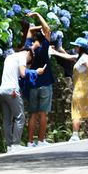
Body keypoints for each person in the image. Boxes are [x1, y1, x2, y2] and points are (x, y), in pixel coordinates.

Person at [52, 37, 88, 141]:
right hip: (83, 89)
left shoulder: (84, 58)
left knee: (76, 111)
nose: (74, 47)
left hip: (81, 89)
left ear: (80, 47)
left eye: (76, 46)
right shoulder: (80, 57)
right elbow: (68, 56)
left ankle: (75, 135)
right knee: (87, 112)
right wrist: (55, 52)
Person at [22, 12, 54, 147]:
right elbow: (47, 28)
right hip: (45, 82)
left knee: (33, 114)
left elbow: (30, 30)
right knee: (42, 113)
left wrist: (34, 28)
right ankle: (41, 141)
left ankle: (29, 142)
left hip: (33, 83)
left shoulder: (30, 47)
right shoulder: (45, 45)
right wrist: (37, 14)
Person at [0, 48, 31, 152]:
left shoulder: (9, 57)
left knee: (7, 119)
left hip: (2, 90)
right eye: (29, 60)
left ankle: (9, 146)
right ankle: (16, 144)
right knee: (20, 117)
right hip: (12, 90)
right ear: (29, 53)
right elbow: (23, 73)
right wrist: (34, 71)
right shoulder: (22, 56)